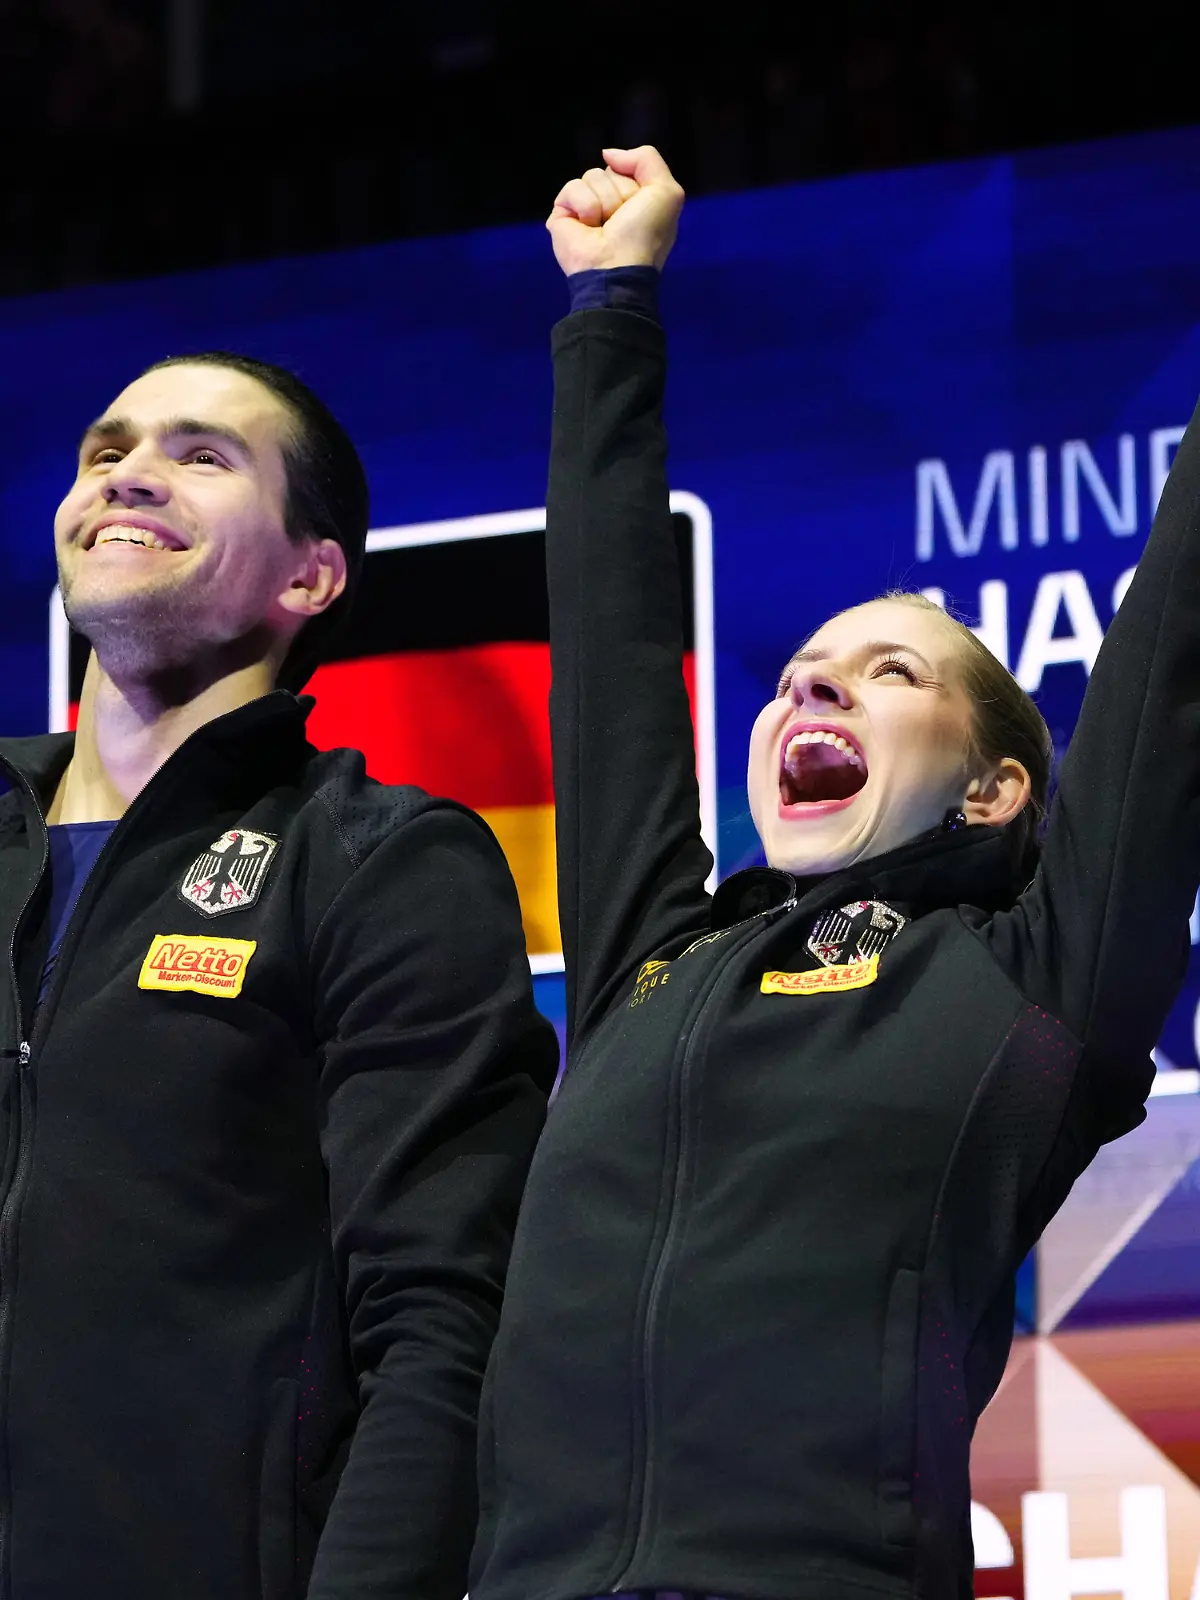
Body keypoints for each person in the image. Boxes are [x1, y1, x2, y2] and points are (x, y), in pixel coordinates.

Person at [468, 147, 1199, 1600]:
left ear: (997, 787)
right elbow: (614, 663)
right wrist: (608, 299)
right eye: (799, 674)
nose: (815, 692)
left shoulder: (1032, 980)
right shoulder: (652, 969)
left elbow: (1173, 649)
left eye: (887, 672)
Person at [0, 350, 557, 1599]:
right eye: (108, 451)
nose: (131, 476)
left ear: (312, 573)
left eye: (201, 456)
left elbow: (441, 1326)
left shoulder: (377, 862)